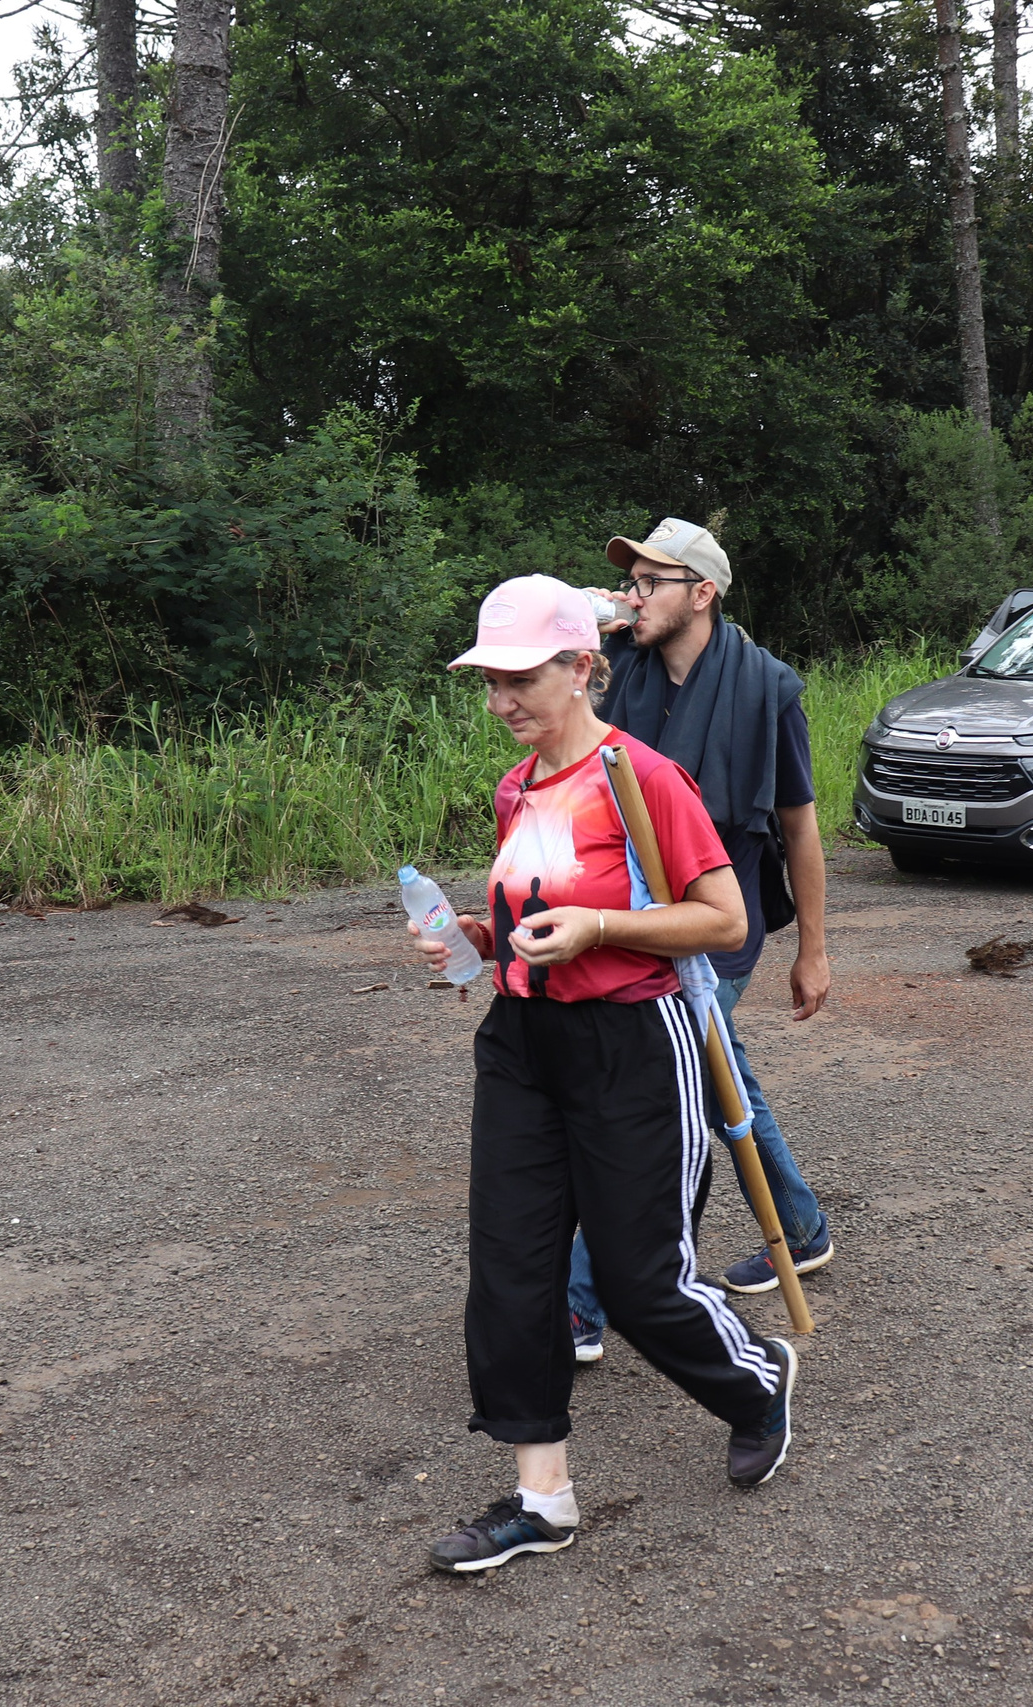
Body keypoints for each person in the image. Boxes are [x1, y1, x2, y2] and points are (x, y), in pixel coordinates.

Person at [414, 574, 796, 1575]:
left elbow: (722, 922)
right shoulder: (517, 787)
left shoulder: (643, 777)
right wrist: (476, 938)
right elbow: (529, 913)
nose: (501, 702)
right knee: (511, 1272)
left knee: (636, 1281)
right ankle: (542, 1499)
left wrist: (599, 929)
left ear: (581, 667)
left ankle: (756, 1383)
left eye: (519, 678)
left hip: (632, 1045)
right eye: (489, 682)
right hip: (522, 1047)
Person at [562, 516, 834, 1366]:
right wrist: (588, 624)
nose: (631, 595)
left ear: (703, 592)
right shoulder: (616, 675)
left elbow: (800, 829)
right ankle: (802, 1224)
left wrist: (814, 948)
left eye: (649, 583)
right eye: (628, 582)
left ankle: (578, 1300)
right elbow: (537, 668)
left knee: (648, 1083)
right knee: (717, 1074)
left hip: (722, 920)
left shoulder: (769, 690)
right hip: (637, 911)